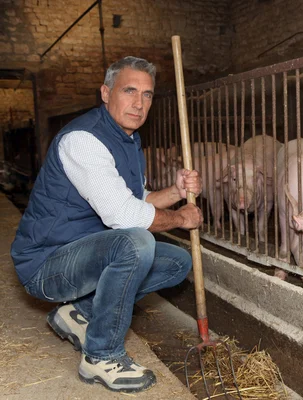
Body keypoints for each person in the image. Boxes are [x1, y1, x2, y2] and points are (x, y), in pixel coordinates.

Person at [11, 56, 203, 393]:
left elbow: (136, 199)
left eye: (147, 95)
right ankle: (100, 356)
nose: (139, 103)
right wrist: (181, 219)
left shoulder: (127, 139)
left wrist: (176, 191)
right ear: (105, 92)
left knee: (177, 261)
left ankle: (77, 312)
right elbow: (125, 216)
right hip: (46, 264)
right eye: (129, 90)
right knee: (136, 243)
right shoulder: (84, 140)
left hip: (84, 252)